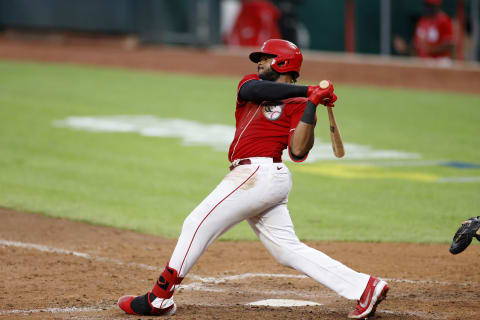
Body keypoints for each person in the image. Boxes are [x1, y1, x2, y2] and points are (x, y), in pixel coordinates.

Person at [117, 39, 389, 319]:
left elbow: (297, 151)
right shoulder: (251, 86)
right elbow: (252, 88)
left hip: (261, 175)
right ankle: (364, 287)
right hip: (254, 178)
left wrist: (312, 104)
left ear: (283, 62)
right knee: (286, 251)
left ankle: (159, 298)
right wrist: (309, 90)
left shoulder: (299, 104)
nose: (259, 63)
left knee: (195, 223)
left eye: (266, 58)